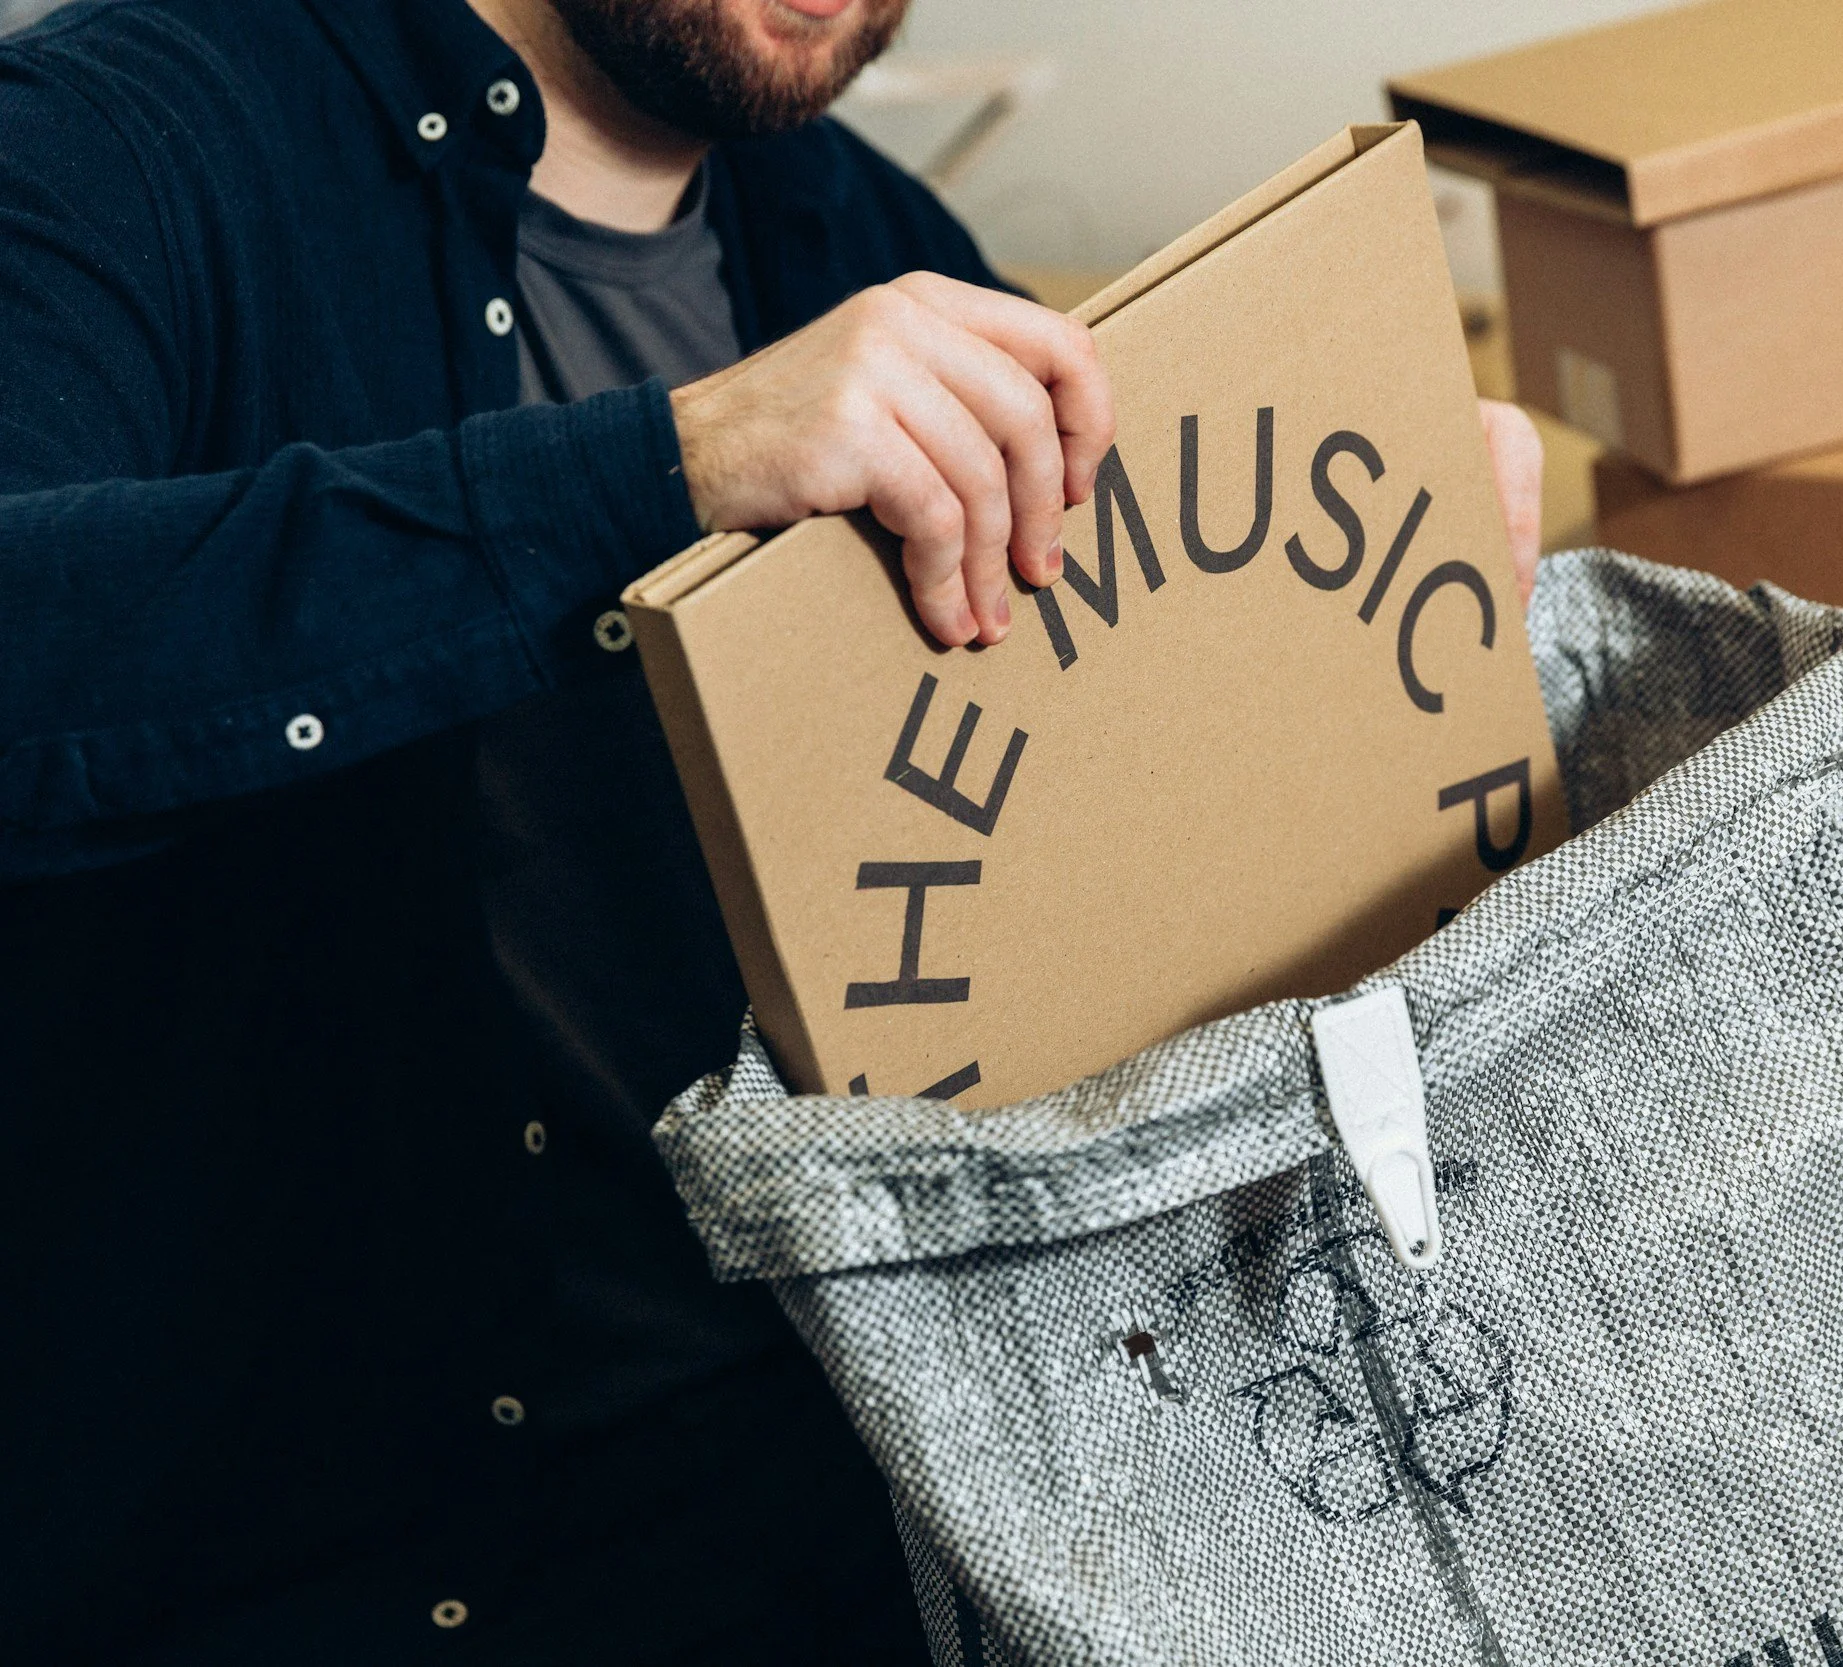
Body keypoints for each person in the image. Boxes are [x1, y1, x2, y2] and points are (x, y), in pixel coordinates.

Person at [0, 0, 1546, 1661]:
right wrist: (664, 466)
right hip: (317, 1563)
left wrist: (1389, 576)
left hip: (814, 1507)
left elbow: (1080, 871)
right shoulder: (117, 138)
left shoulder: (871, 240)